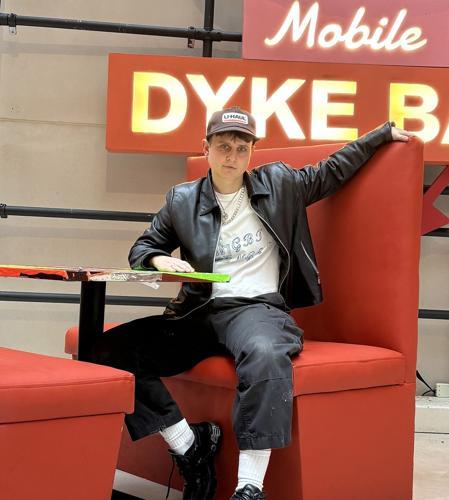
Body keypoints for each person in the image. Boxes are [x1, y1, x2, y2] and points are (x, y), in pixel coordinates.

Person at [91, 106, 413, 500]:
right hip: (198, 311)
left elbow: (332, 171)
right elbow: (143, 248)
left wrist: (380, 135)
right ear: (206, 148)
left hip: (255, 310)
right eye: (223, 146)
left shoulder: (280, 184)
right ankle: (189, 447)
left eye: (242, 148)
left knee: (265, 354)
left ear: (252, 152)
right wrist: (160, 259)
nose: (232, 156)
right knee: (106, 350)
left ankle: (249, 487)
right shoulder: (182, 200)